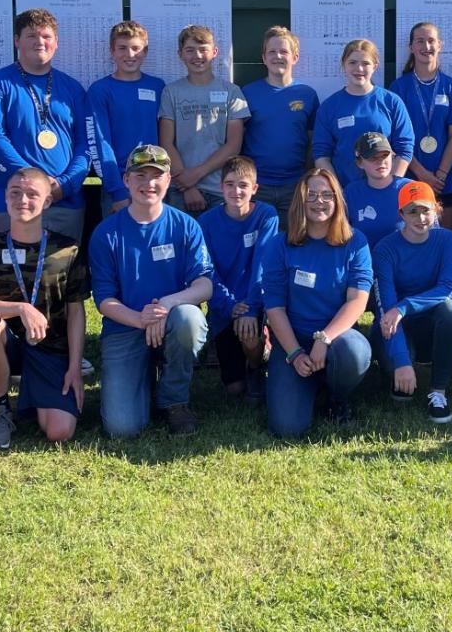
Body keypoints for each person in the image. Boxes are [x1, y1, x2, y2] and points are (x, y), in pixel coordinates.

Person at [0, 166, 90, 449]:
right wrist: (20, 308)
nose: (23, 200)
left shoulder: (67, 249)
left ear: (47, 201)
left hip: (50, 347)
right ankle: (0, 409)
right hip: (5, 342)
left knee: (60, 431)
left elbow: (76, 312)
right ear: (4, 198)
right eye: (15, 193)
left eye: (32, 194)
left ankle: (36, 390)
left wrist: (74, 367)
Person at [89, 144, 213, 437]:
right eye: (140, 175)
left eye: (157, 175)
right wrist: (140, 319)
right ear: (126, 180)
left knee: (190, 320)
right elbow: (104, 300)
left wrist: (167, 305)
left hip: (170, 320)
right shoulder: (106, 233)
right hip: (125, 326)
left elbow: (204, 285)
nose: (149, 183)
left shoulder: (186, 226)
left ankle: (174, 401)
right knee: (122, 428)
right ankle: (144, 377)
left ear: (169, 180)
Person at [259, 170, 375, 436]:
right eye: (311, 195)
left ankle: (337, 398)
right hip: (292, 340)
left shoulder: (355, 242)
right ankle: (306, 382)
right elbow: (274, 307)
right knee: (287, 429)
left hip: (337, 338)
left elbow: (357, 301)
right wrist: (295, 353)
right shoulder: (280, 245)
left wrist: (324, 339)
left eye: (326, 195)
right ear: (300, 200)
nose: (318, 201)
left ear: (337, 201)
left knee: (355, 352)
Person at [0, 9, 90, 240]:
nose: (40, 42)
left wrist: (65, 184)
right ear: (17, 40)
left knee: (64, 275)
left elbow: (87, 143)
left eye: (46, 36)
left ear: (56, 42)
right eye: (31, 36)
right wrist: (32, 183)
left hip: (65, 203)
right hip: (16, 203)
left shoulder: (73, 88)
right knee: (13, 274)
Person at [372, 182, 452, 423]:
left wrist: (404, 307)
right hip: (395, 325)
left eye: (426, 210)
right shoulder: (385, 248)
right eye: (412, 211)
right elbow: (386, 307)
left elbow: (448, 288)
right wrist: (401, 361)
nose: (420, 217)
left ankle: (438, 391)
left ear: (436, 210)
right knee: (400, 387)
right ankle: (401, 367)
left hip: (429, 320)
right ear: (400, 214)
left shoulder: (447, 239)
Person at [196, 155, 279, 399]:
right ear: (221, 187)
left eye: (243, 185)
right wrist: (231, 306)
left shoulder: (267, 215)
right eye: (230, 184)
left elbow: (263, 265)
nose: (236, 191)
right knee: (234, 389)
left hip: (255, 302)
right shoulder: (206, 222)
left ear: (254, 189)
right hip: (225, 308)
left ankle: (256, 364)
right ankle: (240, 361)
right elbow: (207, 271)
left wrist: (251, 309)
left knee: (250, 339)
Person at [158, 24, 250, 214]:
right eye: (190, 50)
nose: (197, 56)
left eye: (203, 50)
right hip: (180, 189)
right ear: (180, 54)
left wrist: (196, 175)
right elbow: (166, 142)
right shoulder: (171, 92)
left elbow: (233, 145)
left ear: (215, 52)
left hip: (221, 189)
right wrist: (188, 186)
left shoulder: (231, 91)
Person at [391, 21, 452, 229]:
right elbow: (396, 138)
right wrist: (423, 174)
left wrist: (440, 174)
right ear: (411, 47)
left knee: (444, 237)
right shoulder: (399, 87)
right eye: (420, 41)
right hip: (410, 175)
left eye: (431, 41)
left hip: (445, 180)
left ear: (440, 45)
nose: (426, 46)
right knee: (411, 237)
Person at [86, 20, 168, 214]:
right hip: (120, 185)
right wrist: (117, 191)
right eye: (122, 48)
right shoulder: (100, 90)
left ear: (145, 51)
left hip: (154, 182)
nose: (130, 55)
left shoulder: (158, 87)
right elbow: (99, 142)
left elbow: (167, 135)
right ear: (112, 51)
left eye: (136, 48)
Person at [241, 26, 319, 223]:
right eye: (272, 52)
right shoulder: (248, 93)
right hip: (257, 185)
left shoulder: (307, 94)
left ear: (295, 57)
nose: (278, 56)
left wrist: (306, 177)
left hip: (294, 185)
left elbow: (312, 140)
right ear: (264, 57)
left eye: (284, 51)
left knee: (292, 241)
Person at [312, 39, 415, 189]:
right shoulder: (329, 107)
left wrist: (390, 187)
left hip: (385, 189)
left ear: (375, 66)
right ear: (344, 65)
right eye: (352, 62)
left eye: (365, 63)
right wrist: (336, 191)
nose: (359, 68)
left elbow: (404, 148)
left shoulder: (391, 102)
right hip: (344, 192)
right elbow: (321, 154)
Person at [342, 131, 413, 246]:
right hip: (365, 261)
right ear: (360, 163)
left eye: (385, 155)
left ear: (393, 157)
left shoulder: (410, 189)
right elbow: (340, 233)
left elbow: (433, 232)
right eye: (372, 157)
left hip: (405, 260)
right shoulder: (351, 192)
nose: (380, 162)